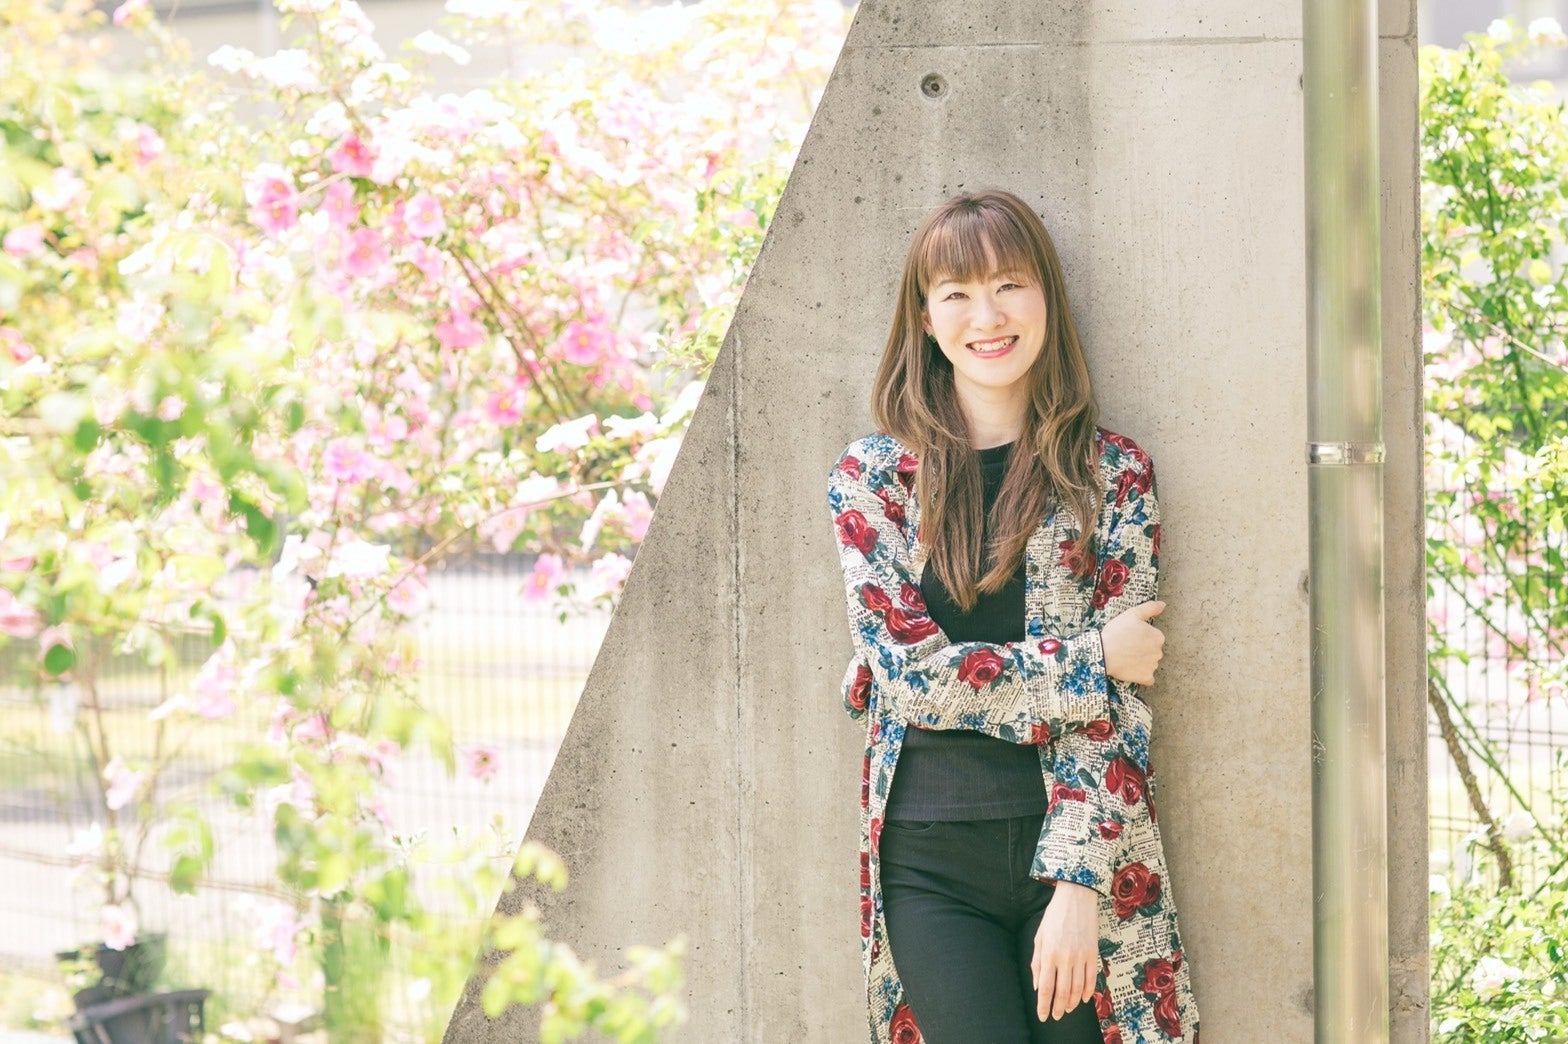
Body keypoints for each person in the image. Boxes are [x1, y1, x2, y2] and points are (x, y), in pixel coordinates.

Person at [827, 189, 1201, 1044]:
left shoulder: (1113, 475)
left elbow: (1124, 705)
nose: (986, 316)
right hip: (927, 862)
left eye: (1008, 286)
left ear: (1046, 300)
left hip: (1077, 849)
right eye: (957, 292)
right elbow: (910, 680)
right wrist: (1091, 657)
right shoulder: (872, 479)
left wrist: (1077, 888)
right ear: (925, 318)